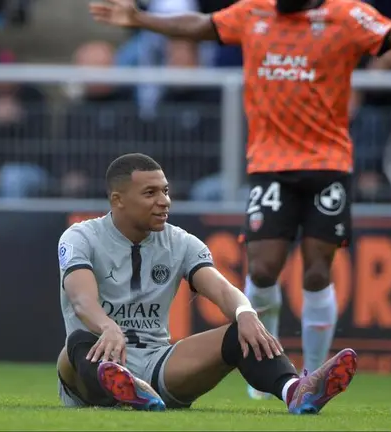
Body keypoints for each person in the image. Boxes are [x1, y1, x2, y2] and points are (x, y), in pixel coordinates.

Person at [89, 0, 391, 399]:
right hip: (271, 165)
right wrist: (140, 18)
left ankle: (312, 374)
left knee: (317, 272)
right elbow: (201, 25)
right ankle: (262, 363)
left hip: (327, 164)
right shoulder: (255, 12)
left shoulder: (346, 15)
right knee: (263, 269)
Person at [56, 153, 357, 414]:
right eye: (150, 193)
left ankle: (296, 390)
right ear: (117, 199)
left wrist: (244, 313)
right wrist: (108, 327)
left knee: (243, 330)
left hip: (157, 363)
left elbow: (223, 290)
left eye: (166, 191)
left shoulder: (181, 242)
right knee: (79, 341)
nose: (164, 202)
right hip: (93, 362)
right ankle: (121, 385)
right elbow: (82, 301)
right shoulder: (81, 237)